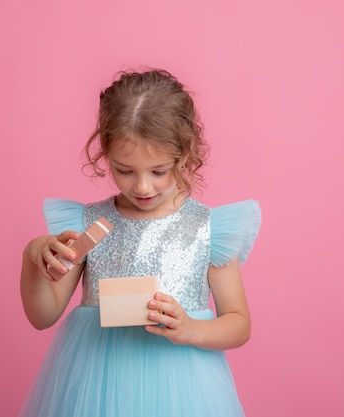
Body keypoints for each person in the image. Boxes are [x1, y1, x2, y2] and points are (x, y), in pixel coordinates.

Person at [18, 68, 261, 416]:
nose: (142, 187)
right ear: (104, 154)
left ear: (186, 154)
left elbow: (238, 323)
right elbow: (43, 316)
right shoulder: (92, 226)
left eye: (158, 171)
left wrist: (192, 330)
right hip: (96, 383)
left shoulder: (207, 228)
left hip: (183, 389)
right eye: (125, 170)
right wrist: (31, 260)